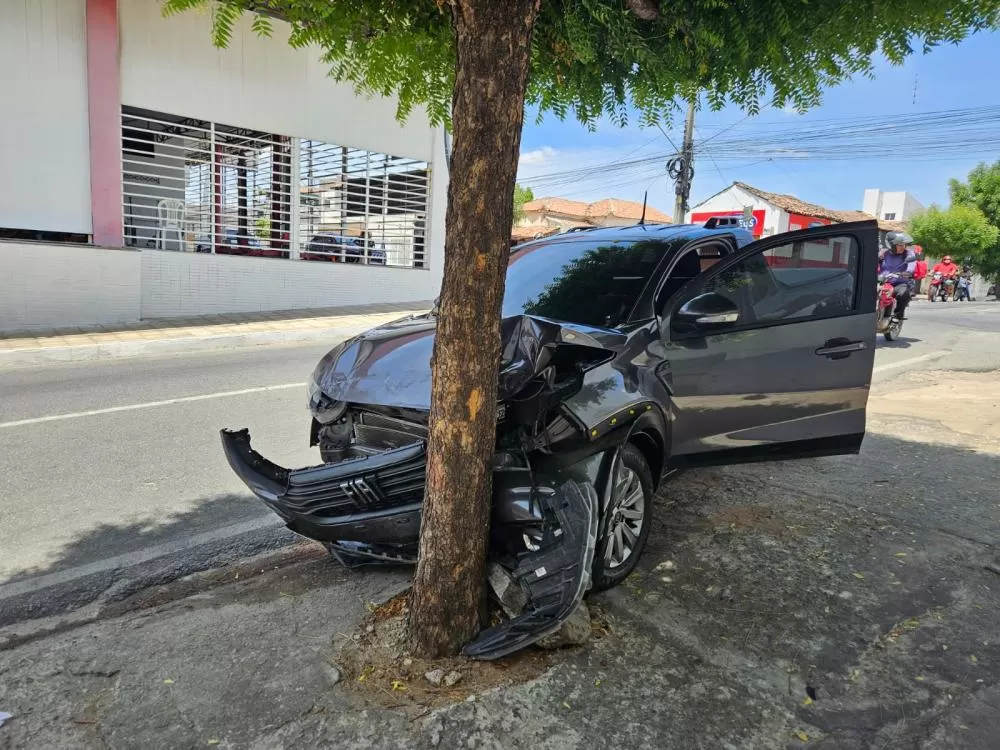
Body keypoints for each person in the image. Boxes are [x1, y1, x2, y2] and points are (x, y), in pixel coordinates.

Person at [878, 231, 917, 319]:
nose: (903, 247)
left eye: (904, 245)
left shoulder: (908, 254)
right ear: (891, 245)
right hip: (882, 282)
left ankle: (898, 315)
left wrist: (907, 272)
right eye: (899, 245)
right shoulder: (883, 253)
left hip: (899, 283)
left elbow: (911, 266)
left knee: (904, 293)